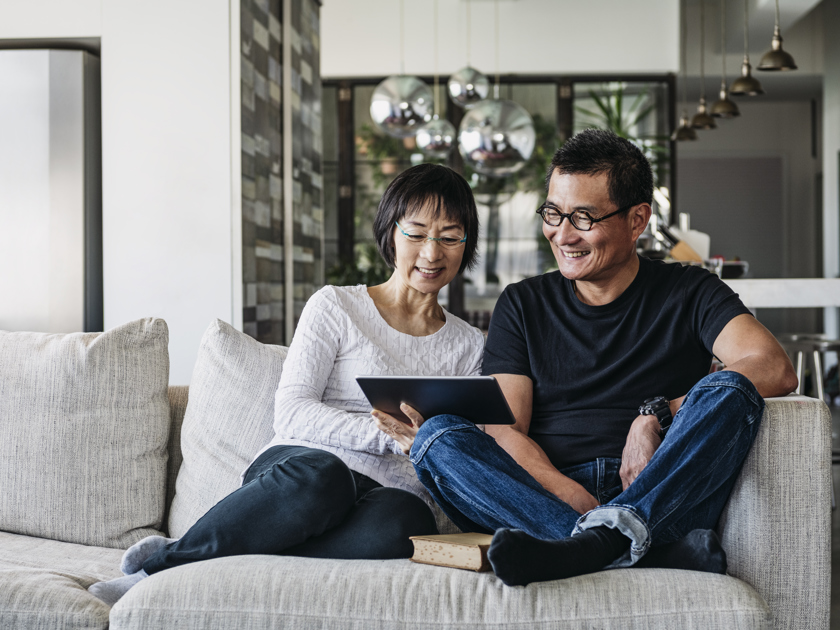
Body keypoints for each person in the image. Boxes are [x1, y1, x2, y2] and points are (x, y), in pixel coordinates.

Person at [374, 129, 798, 587]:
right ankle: (630, 546)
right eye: (553, 213)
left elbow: (773, 366)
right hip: (546, 494)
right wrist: (569, 494)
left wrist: (655, 414)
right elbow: (506, 429)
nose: (563, 234)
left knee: (731, 388)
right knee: (437, 437)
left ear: (637, 220)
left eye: (583, 217)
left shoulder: (690, 290)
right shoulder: (523, 303)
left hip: (661, 482)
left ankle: (583, 548)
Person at [88, 163, 485, 605]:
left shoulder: (469, 345)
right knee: (327, 476)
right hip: (299, 474)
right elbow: (292, 410)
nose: (432, 252)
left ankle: (217, 556)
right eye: (416, 233)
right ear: (391, 233)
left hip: (383, 497)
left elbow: (460, 438)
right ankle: (162, 568)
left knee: (405, 520)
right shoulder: (336, 306)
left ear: (465, 245)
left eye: (450, 236)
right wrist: (390, 436)